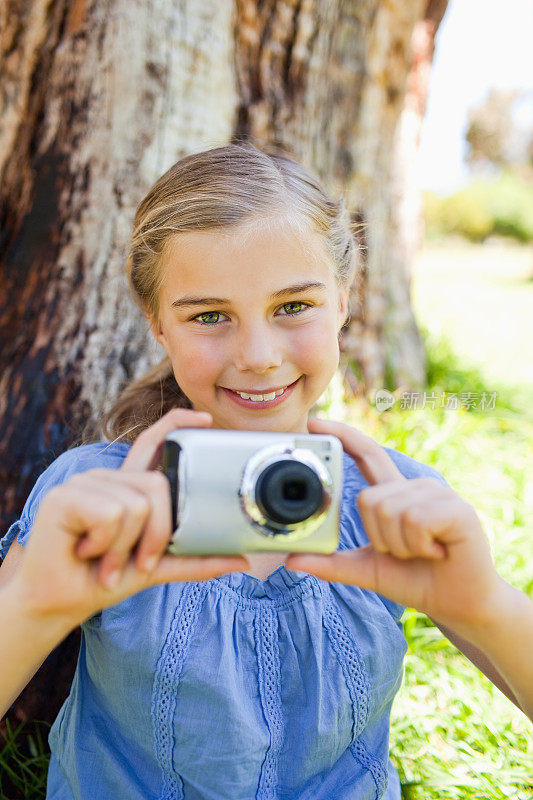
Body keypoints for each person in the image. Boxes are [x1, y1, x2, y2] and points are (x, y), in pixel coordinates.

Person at [0, 143, 531, 800]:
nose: (257, 355)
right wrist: (33, 606)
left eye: (291, 307)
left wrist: (485, 608)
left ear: (343, 299)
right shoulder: (96, 499)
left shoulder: (398, 502)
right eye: (209, 316)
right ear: (158, 325)